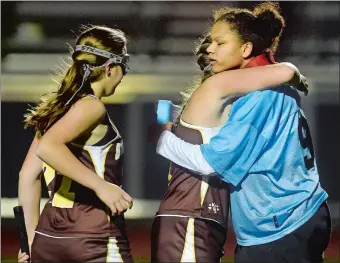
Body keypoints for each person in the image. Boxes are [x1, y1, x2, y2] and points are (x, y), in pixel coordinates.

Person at [155, 2, 331, 263]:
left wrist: (165, 141)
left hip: (278, 224)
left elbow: (211, 162)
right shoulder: (274, 82)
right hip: (303, 210)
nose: (210, 48)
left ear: (246, 48)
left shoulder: (259, 96)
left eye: (220, 42)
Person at [17, 25, 134, 263]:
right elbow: (48, 147)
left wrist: (31, 241)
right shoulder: (91, 106)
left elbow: (27, 176)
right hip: (94, 237)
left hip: (48, 239)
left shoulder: (58, 109)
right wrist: (101, 186)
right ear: (111, 67)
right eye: (125, 65)